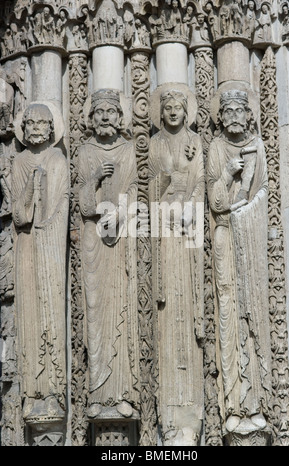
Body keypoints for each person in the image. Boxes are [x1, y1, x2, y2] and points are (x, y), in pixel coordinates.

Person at [206, 89, 272, 442]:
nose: (233, 116)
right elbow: (215, 200)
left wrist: (245, 208)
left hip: (250, 239)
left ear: (249, 116)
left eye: (239, 111)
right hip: (224, 240)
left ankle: (256, 401)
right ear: (220, 118)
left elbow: (262, 193)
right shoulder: (217, 149)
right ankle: (232, 403)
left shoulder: (258, 147)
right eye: (226, 111)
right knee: (229, 314)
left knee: (252, 313)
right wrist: (230, 173)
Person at [78, 89, 140, 419]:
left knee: (122, 315)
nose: (105, 116)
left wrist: (120, 211)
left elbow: (134, 190)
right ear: (91, 118)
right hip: (93, 247)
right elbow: (84, 204)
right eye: (99, 111)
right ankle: (96, 393)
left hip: (121, 243)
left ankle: (123, 393)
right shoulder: (85, 153)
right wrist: (94, 178)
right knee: (96, 316)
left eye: (111, 111)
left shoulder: (129, 151)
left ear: (120, 118)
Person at [149, 89, 204, 446]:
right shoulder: (154, 144)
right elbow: (152, 187)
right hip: (165, 237)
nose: (171, 112)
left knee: (188, 310)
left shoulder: (196, 141)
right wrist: (170, 177)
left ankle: (192, 412)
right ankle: (168, 414)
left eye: (177, 107)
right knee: (168, 315)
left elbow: (201, 183)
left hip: (189, 235)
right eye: (166, 107)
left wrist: (190, 197)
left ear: (187, 111)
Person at [11, 103, 69, 422]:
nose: (35, 128)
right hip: (26, 248)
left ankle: (53, 392)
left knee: (50, 315)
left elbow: (60, 207)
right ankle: (31, 392)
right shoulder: (20, 161)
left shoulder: (58, 159)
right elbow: (20, 215)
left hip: (49, 250)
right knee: (29, 316)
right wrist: (33, 185)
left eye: (41, 123)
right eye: (29, 123)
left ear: (51, 129)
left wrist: (47, 220)